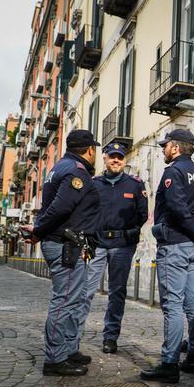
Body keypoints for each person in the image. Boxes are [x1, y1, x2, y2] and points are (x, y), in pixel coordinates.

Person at [21, 129, 101, 376]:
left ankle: (67, 350)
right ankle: (55, 359)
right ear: (90, 150)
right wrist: (39, 230)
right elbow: (60, 208)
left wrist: (40, 231)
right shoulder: (76, 172)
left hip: (72, 243)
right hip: (67, 244)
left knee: (73, 299)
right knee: (64, 301)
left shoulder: (61, 166)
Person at [140, 129, 194, 383]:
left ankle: (170, 364)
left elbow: (177, 207)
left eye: (165, 146)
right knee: (193, 303)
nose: (162, 150)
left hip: (175, 245)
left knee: (172, 305)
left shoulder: (174, 171)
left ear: (175, 147)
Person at [82, 142, 148, 355]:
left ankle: (110, 337)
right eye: (112, 156)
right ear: (105, 158)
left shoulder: (135, 185)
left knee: (117, 292)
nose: (116, 160)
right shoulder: (94, 184)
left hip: (122, 246)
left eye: (120, 157)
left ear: (124, 160)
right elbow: (85, 211)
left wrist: (130, 233)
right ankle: (73, 336)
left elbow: (142, 215)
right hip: (97, 244)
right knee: (86, 290)